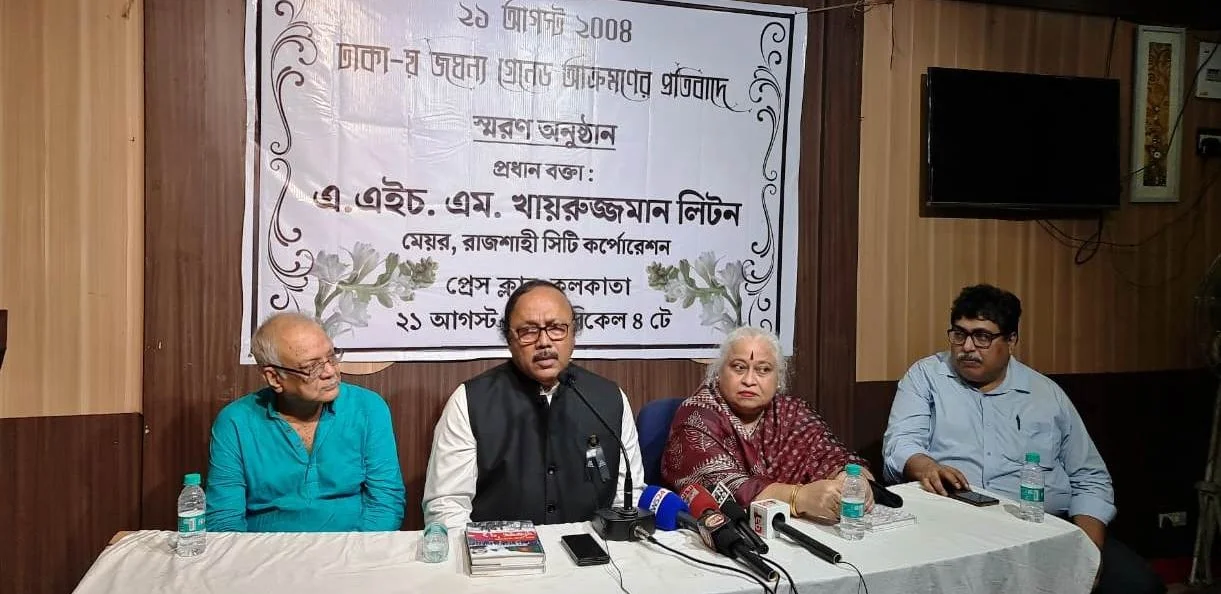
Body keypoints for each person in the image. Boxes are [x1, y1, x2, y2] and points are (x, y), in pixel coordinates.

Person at [883, 284, 1164, 594]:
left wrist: (1088, 549)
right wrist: (926, 467)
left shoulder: (1046, 395)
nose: (967, 347)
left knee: (1138, 584)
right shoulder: (927, 377)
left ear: (1011, 340)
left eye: (982, 336)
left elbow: (1090, 477)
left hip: (1044, 525)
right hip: (957, 525)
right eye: (959, 334)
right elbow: (901, 442)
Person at [423, 280, 645, 527]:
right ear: (509, 339)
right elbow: (447, 506)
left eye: (556, 328)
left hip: (592, 545)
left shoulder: (610, 399)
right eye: (528, 331)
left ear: (573, 334)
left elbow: (628, 496)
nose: (544, 342)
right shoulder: (470, 401)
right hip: (497, 548)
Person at [205, 313, 405, 532]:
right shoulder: (235, 422)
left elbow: (386, 503)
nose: (330, 372)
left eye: (332, 357)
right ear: (274, 377)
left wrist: (359, 550)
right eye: (312, 367)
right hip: (266, 549)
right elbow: (224, 522)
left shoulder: (367, 407)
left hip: (354, 546)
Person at [662, 326, 873, 522]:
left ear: (778, 379)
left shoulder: (792, 413)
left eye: (763, 370)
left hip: (797, 528)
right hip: (726, 531)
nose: (749, 380)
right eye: (739, 367)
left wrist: (853, 482)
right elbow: (724, 488)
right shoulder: (697, 416)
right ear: (718, 373)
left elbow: (838, 458)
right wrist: (798, 497)